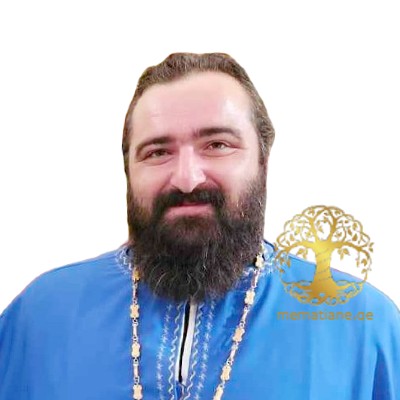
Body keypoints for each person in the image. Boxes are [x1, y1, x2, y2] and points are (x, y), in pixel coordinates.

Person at [0, 53, 399, 400]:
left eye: (217, 145)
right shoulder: (39, 317)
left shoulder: (363, 325)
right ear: (128, 170)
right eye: (158, 152)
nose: (187, 178)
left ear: (263, 162)